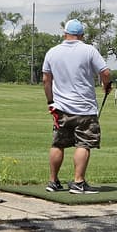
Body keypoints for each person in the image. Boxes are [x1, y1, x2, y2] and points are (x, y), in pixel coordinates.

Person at [42, 18, 111, 194]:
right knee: (84, 144)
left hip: (61, 108)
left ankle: (53, 182)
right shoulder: (89, 50)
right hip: (85, 108)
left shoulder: (52, 52)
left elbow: (46, 80)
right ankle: (78, 183)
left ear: (65, 33)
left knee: (58, 144)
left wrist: (51, 103)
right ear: (81, 35)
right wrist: (106, 85)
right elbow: (105, 72)